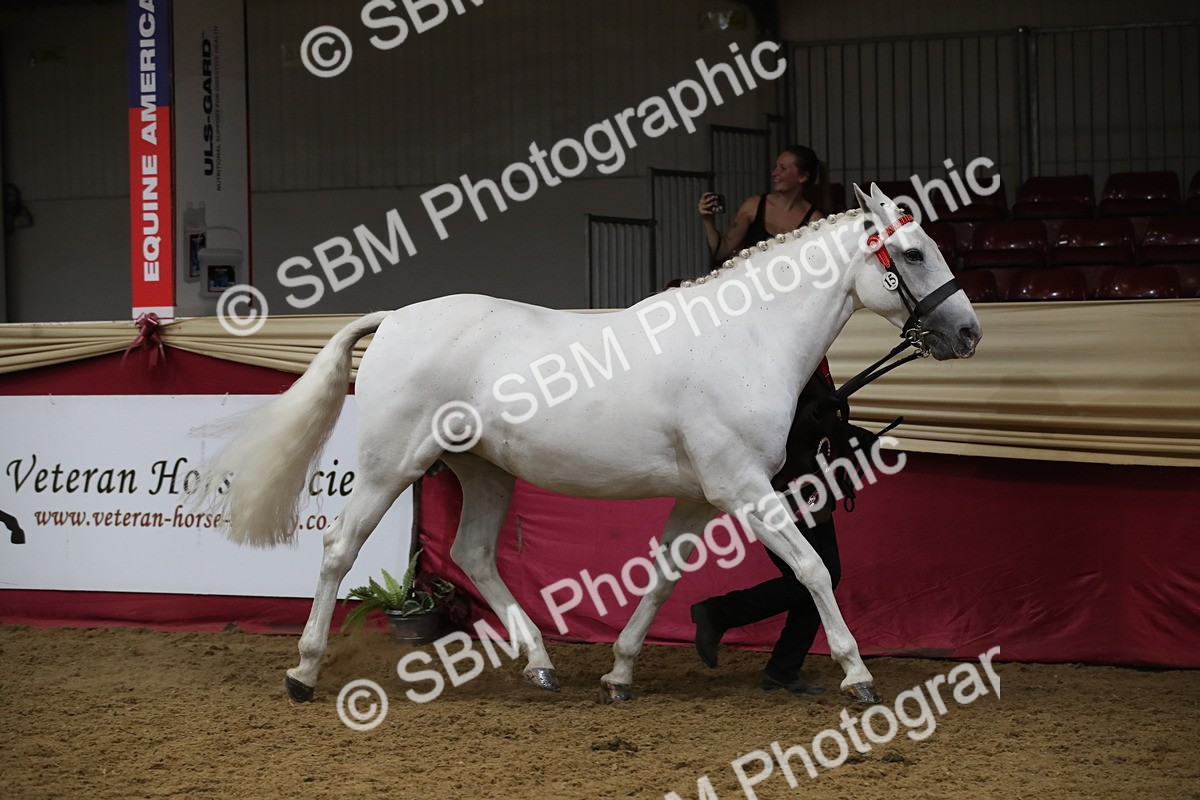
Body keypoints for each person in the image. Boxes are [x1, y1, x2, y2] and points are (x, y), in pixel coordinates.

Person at [690, 145, 844, 695]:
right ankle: (742, 633)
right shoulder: (753, 208)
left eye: (784, 166)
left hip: (785, 352)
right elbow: (723, 259)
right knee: (819, 569)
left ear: (802, 176)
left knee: (818, 567)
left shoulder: (817, 223)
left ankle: (741, 631)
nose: (774, 171)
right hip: (750, 343)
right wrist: (710, 224)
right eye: (773, 164)